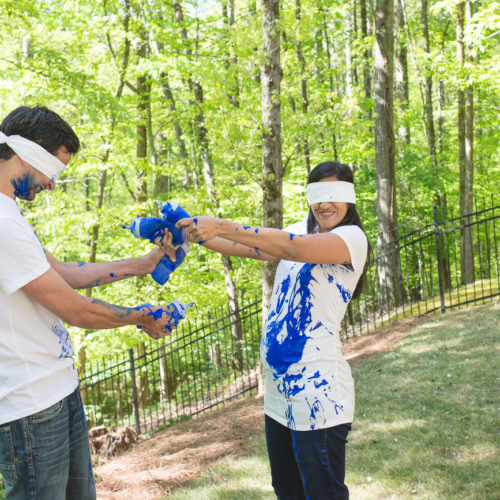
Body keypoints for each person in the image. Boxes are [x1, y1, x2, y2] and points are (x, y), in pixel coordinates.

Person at [0, 106, 177, 500]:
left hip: (57, 388)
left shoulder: (10, 212)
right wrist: (142, 317)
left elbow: (62, 272)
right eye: (53, 170)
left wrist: (144, 265)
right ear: (27, 156)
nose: (52, 184)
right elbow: (74, 309)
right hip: (28, 405)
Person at [176, 161, 368, 499]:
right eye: (316, 195)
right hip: (279, 398)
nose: (323, 204)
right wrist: (195, 233)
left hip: (318, 395)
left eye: (332, 195)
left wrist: (219, 224)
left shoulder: (351, 239)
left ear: (350, 198)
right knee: (287, 490)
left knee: (322, 493)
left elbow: (292, 247)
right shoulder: (299, 228)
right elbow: (243, 246)